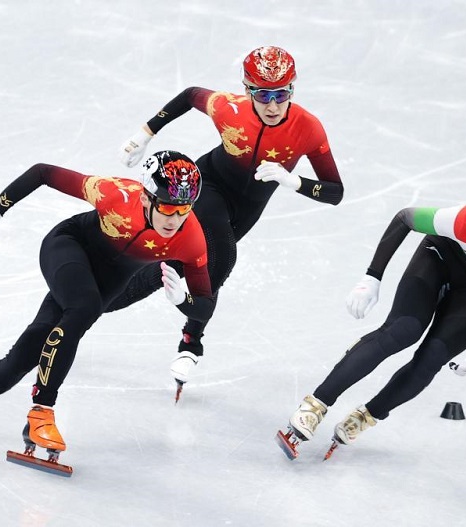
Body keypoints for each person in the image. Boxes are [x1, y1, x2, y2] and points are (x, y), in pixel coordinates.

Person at [0, 151, 213, 462]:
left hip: (105, 283)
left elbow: (204, 305)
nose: (175, 219)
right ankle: (42, 411)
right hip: (68, 247)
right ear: (147, 197)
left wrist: (183, 301)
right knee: (84, 308)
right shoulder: (116, 194)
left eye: (184, 209)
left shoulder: (191, 238)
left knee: (21, 359)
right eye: (167, 207)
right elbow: (43, 172)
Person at [278, 178, 466, 459]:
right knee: (402, 331)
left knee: (432, 358)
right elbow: (405, 217)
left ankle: (366, 416)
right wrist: (372, 277)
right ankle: (315, 405)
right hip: (441, 258)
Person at [111, 45, 345, 390]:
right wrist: (144, 134)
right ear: (247, 91)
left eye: (281, 94)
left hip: (247, 210)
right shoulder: (228, 108)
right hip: (210, 186)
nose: (272, 105)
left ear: (292, 90)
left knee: (185, 267)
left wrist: (293, 181)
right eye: (262, 95)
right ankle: (190, 343)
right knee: (219, 254)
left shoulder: (308, 128)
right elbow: (190, 95)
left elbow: (335, 192)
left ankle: (111, 308)